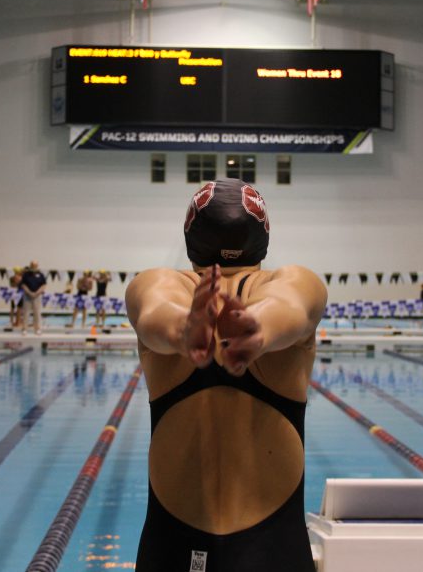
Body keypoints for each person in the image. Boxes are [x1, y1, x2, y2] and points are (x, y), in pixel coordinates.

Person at [126, 178, 326, 572]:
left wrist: (184, 332)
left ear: (190, 232)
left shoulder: (160, 283)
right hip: (274, 550)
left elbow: (155, 312)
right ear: (263, 233)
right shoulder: (295, 281)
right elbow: (292, 306)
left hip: (170, 548)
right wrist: (259, 329)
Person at [20, 261, 47, 335]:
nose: (33, 267)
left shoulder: (41, 275)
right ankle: (24, 329)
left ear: (37, 266)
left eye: (35, 265)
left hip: (37, 296)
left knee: (37, 313)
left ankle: (37, 328)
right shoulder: (26, 275)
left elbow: (44, 285)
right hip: (27, 296)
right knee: (26, 313)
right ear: (30, 266)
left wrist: (37, 293)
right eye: (32, 265)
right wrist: (29, 292)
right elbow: (23, 285)